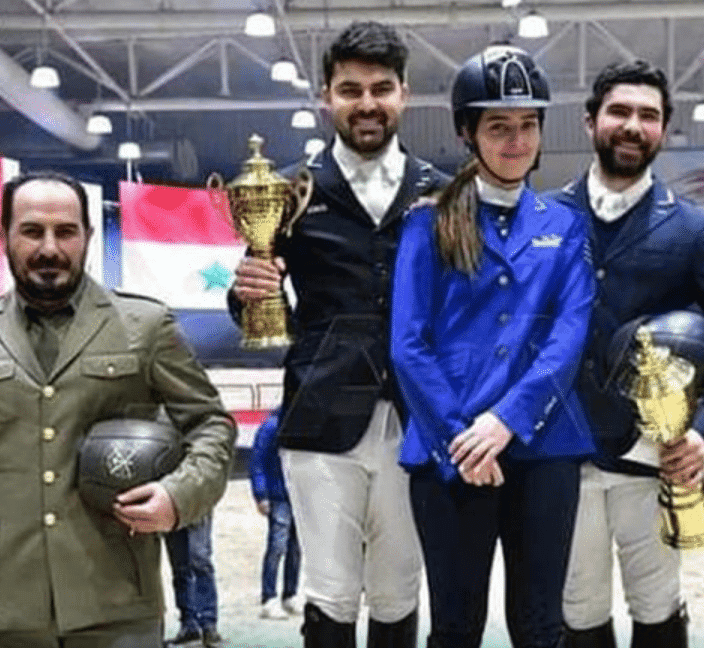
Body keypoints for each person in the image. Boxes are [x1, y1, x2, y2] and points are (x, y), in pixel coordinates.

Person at [0, 171, 236, 648]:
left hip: (116, 600)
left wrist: (178, 496)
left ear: (88, 237)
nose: (50, 248)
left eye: (66, 231)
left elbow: (210, 425)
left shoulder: (144, 326)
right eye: (32, 231)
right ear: (3, 236)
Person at [228, 21, 448, 648]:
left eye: (381, 89)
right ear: (326, 96)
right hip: (321, 415)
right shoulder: (288, 190)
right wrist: (249, 292)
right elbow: (254, 305)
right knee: (330, 596)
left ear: (404, 94)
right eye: (350, 90)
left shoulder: (442, 192)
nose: (367, 103)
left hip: (417, 418)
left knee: (399, 593)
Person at [545, 60, 704, 648]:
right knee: (578, 611)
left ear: (664, 130)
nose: (632, 126)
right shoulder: (541, 218)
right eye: (619, 112)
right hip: (559, 452)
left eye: (648, 116)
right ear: (591, 121)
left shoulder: (692, 229)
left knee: (657, 607)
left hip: (651, 457)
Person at [391, 45, 596, 648]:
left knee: (542, 627)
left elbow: (568, 337)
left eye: (529, 124)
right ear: (467, 132)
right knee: (455, 628)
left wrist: (506, 420)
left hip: (545, 445)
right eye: (499, 126)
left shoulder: (566, 225)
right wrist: (462, 438)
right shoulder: (427, 225)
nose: (517, 141)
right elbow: (408, 344)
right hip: (449, 449)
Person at [249, 409, 303, 620]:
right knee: (277, 546)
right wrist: (261, 494)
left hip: (297, 494)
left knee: (295, 548)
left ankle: (290, 593)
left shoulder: (298, 423)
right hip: (278, 495)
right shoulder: (272, 426)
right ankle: (269, 597)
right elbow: (258, 461)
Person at [163, 514, 223, 647]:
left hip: (197, 508)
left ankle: (208, 623)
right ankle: (189, 625)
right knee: (179, 565)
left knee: (200, 560)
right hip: (171, 508)